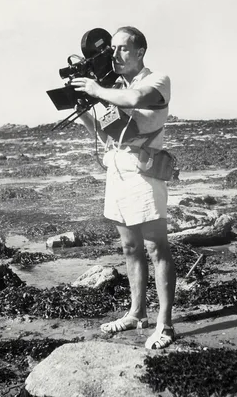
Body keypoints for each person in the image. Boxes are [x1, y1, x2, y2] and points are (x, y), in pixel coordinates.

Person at [71, 26, 176, 350]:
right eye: (111, 50)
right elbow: (105, 137)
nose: (114, 55)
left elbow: (133, 99)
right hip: (117, 167)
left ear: (140, 51)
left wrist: (95, 89)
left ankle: (165, 323)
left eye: (123, 49)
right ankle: (137, 313)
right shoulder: (113, 88)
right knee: (130, 248)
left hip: (145, 171)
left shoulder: (157, 80)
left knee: (157, 247)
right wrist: (84, 110)